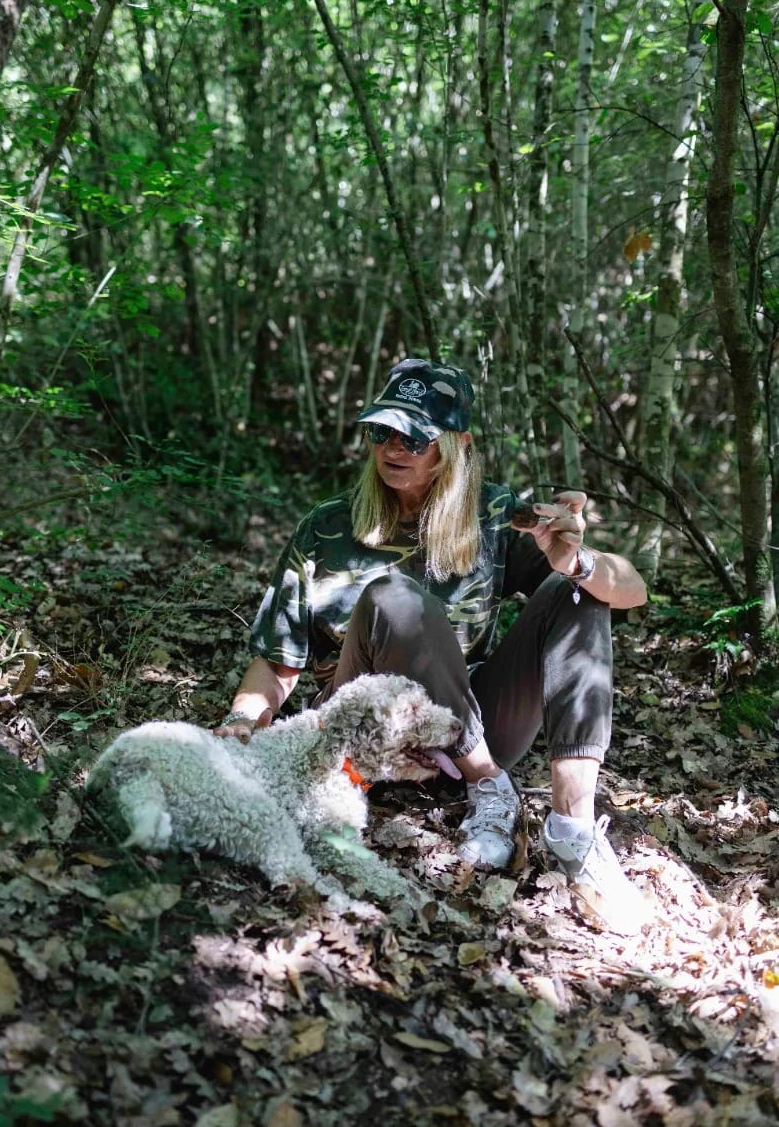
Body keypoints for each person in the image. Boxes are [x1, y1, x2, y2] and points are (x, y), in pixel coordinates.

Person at [219, 359, 649, 934]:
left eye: (414, 436)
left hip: (472, 720)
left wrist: (576, 560)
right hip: (368, 731)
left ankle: (574, 831)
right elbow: (277, 662)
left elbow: (632, 591)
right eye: (381, 431)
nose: (393, 447)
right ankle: (490, 787)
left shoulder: (496, 515)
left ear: (454, 445)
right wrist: (242, 721)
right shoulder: (325, 528)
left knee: (577, 592)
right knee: (395, 597)